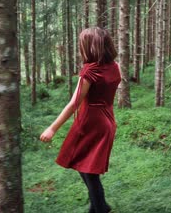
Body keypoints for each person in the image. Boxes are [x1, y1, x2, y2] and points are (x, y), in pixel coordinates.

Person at [40, 27, 121, 213]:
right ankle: (99, 206)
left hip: (91, 123)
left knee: (87, 169)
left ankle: (99, 208)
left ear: (89, 47)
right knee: (87, 167)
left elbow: (73, 104)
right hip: (108, 121)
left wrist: (52, 128)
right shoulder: (114, 67)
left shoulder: (90, 71)